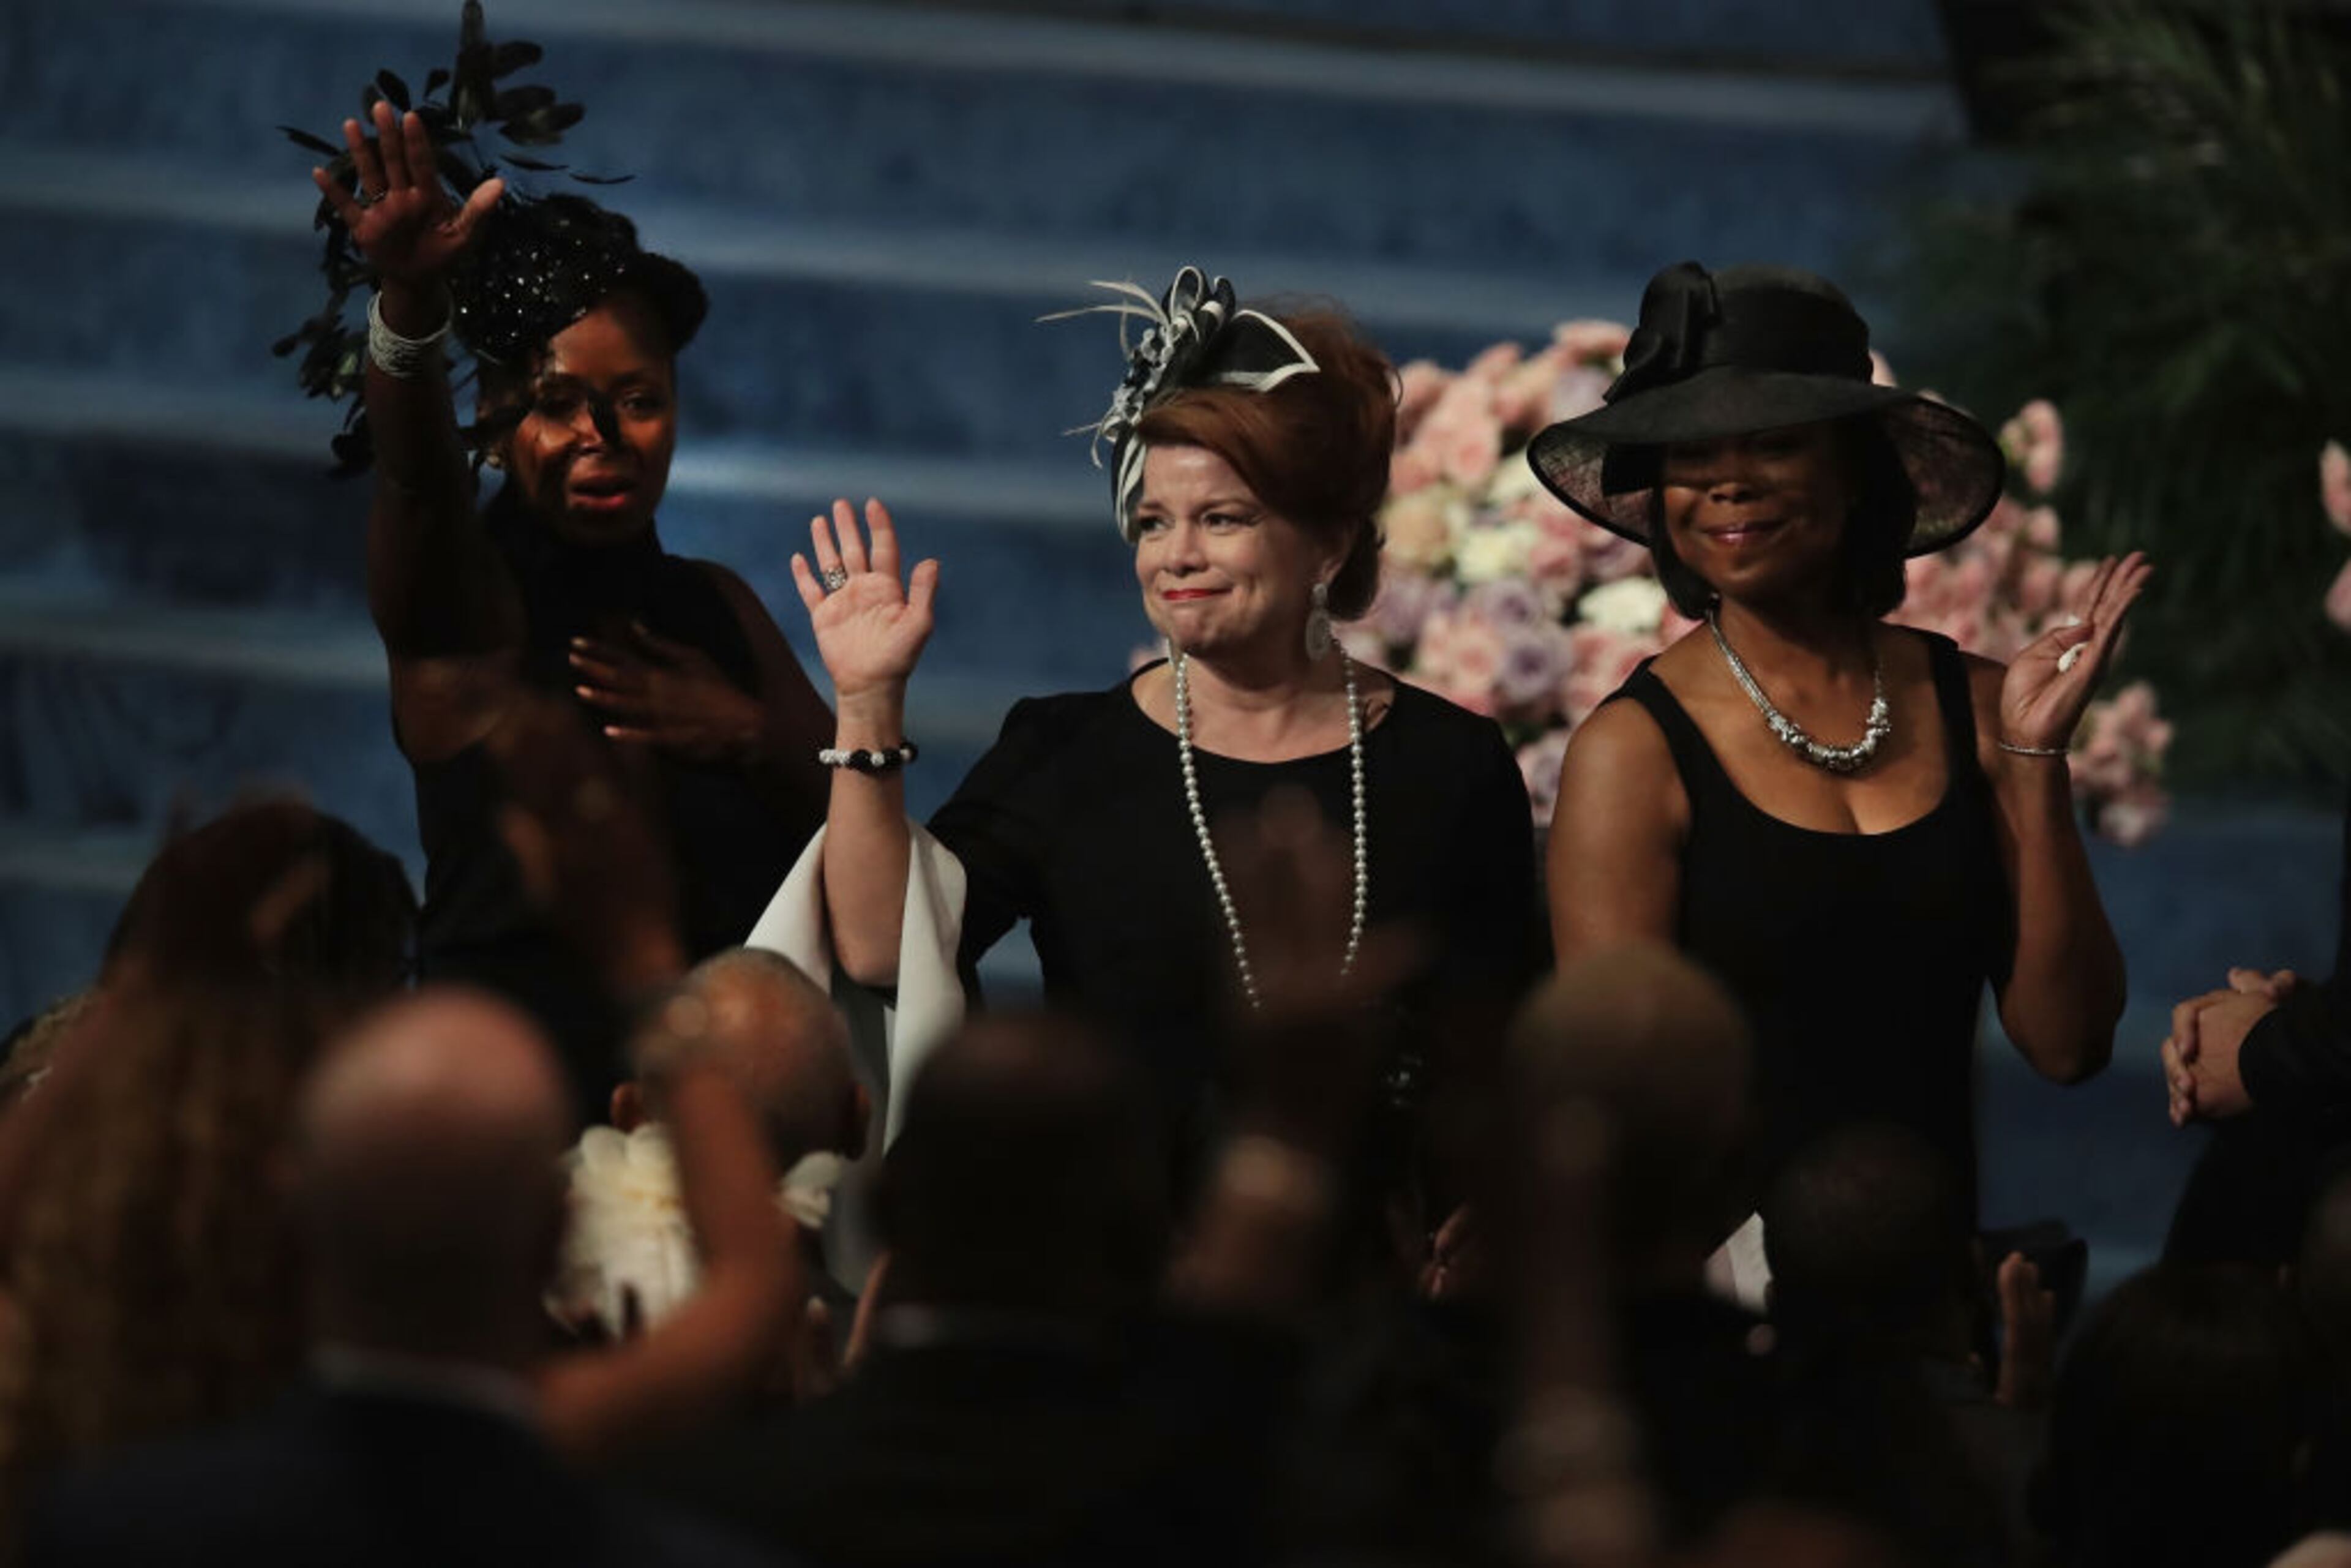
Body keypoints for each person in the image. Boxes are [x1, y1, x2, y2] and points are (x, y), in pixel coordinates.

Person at [785, 267, 1539, 1138]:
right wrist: (868, 699)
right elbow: (881, 948)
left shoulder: (1451, 762)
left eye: (1223, 518)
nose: (1175, 555)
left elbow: (1505, 1050)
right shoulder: (1063, 750)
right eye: (1153, 522)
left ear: (1328, 547)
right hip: (1119, 1216)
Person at [1535, 260, 2140, 1220]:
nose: (1728, 483)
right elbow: (1618, 1104)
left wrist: (2037, 764)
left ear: (1854, 470)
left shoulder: (1985, 706)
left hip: (1930, 1279)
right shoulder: (1633, 751)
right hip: (1725, 1286)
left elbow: (2068, 1045)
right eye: (1691, 453)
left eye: (1775, 444)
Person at [296, 31, 833, 1111]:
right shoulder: (468, 609)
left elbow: (860, 834)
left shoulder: (717, 608)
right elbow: (416, 478)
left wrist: (750, 733)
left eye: (639, 399)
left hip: (714, 1123)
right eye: (555, 402)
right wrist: (409, 307)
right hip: (509, 1137)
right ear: (494, 424)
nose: (603, 434)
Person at [20, 988, 781, 1567]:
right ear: (556, 1237)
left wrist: (148, 978)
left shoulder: (109, 1531)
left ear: (295, 1220)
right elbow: (750, 1289)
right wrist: (646, 963)